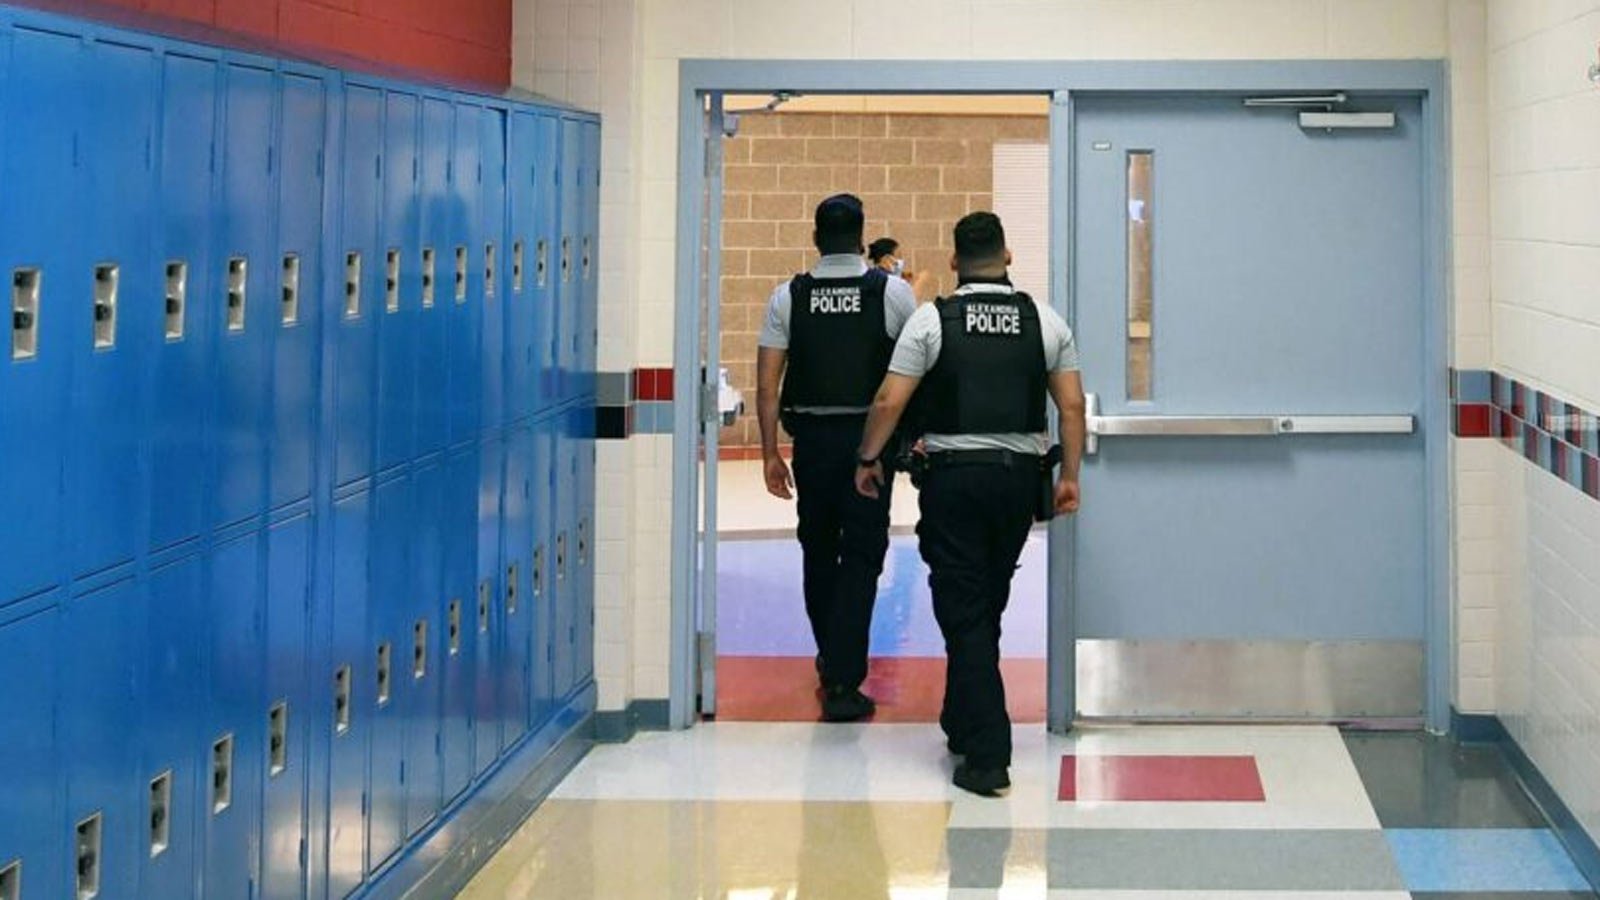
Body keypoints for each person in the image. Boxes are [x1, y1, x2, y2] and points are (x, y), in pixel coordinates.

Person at [854, 211, 1086, 796]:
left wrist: (868, 458)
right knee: (984, 605)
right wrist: (1070, 477)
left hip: (953, 482)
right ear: (1007, 257)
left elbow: (888, 401)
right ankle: (961, 719)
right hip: (1017, 482)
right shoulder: (1044, 320)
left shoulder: (932, 320)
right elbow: (1072, 407)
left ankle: (987, 755)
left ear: (955, 261)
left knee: (964, 610)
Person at [757, 194, 919, 722]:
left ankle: (833, 659)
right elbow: (917, 370)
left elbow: (768, 386)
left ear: (816, 239)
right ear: (862, 238)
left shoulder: (789, 296)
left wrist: (769, 454)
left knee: (819, 550)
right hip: (870, 446)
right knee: (863, 555)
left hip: (812, 444)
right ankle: (844, 677)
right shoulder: (891, 292)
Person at [868, 237, 933, 302]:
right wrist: (921, 280)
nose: (901, 260)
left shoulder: (874, 277)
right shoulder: (886, 282)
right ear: (886, 259)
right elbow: (910, 302)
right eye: (899, 256)